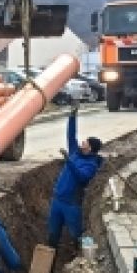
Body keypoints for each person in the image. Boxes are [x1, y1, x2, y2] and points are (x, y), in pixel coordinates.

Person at [47, 101, 103, 250]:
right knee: (52, 236)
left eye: (86, 142)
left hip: (72, 205)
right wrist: (72, 116)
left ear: (90, 149)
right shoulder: (75, 152)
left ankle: (77, 261)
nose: (82, 142)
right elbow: (71, 135)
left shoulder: (91, 165)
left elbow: (82, 178)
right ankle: (50, 265)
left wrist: (68, 161)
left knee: (75, 236)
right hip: (57, 200)